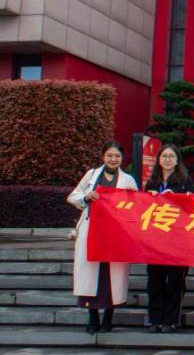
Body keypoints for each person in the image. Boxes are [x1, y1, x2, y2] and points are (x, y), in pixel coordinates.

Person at [68, 141, 139, 334]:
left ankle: (108, 318)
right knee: (91, 273)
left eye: (117, 156)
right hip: (92, 229)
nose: (113, 159)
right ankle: (93, 318)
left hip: (115, 232)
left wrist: (132, 196)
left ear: (122, 158)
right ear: (103, 156)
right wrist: (86, 196)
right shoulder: (92, 175)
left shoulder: (128, 180)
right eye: (109, 155)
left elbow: (136, 206)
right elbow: (73, 196)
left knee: (111, 276)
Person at [143, 144, 194, 333]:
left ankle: (171, 320)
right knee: (155, 280)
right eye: (164, 156)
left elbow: (192, 207)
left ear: (177, 160)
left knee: (175, 282)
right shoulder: (152, 182)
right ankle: (155, 319)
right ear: (158, 159)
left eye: (171, 156)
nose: (167, 159)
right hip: (155, 240)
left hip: (178, 240)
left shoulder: (185, 181)